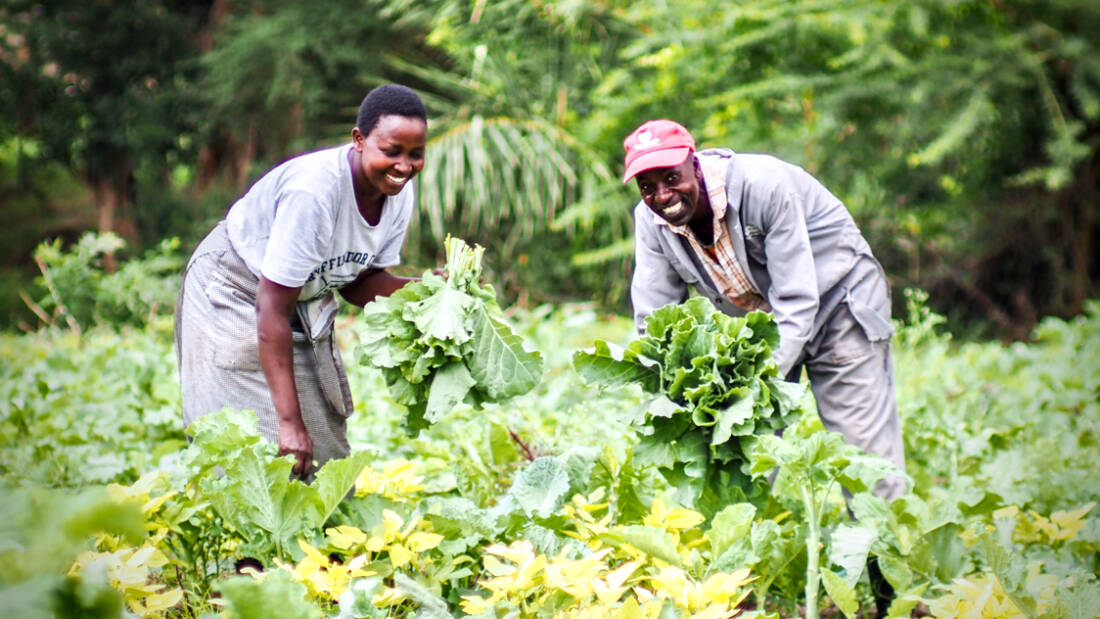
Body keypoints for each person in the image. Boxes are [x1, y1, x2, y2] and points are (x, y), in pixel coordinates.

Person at [622, 119, 906, 501]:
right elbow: (655, 316)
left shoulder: (763, 185)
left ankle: (882, 554)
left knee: (860, 444)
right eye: (647, 187)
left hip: (839, 300)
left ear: (694, 163)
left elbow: (797, 299)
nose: (662, 195)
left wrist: (756, 380)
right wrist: (673, 389)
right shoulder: (650, 220)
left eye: (671, 178)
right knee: (744, 450)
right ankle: (741, 554)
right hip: (766, 321)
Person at [175, 84, 428, 479]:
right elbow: (271, 307)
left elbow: (358, 282)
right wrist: (289, 424)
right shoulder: (315, 192)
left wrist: (430, 290)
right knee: (257, 445)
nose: (404, 166)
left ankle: (322, 534)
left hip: (305, 298)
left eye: (416, 154)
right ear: (359, 140)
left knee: (325, 451)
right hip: (235, 285)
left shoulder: (398, 193)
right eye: (391, 151)